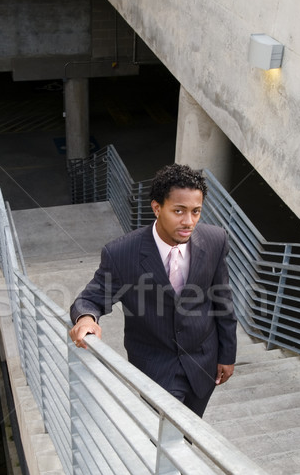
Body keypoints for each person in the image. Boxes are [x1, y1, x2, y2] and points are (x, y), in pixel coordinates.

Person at [69, 163, 237, 416]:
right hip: (156, 368)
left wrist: (227, 355)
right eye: (178, 211)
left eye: (196, 211)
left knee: (192, 432)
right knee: (161, 436)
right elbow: (92, 296)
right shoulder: (122, 253)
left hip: (203, 363)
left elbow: (222, 301)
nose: (188, 221)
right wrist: (85, 319)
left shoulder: (215, 240)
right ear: (157, 208)